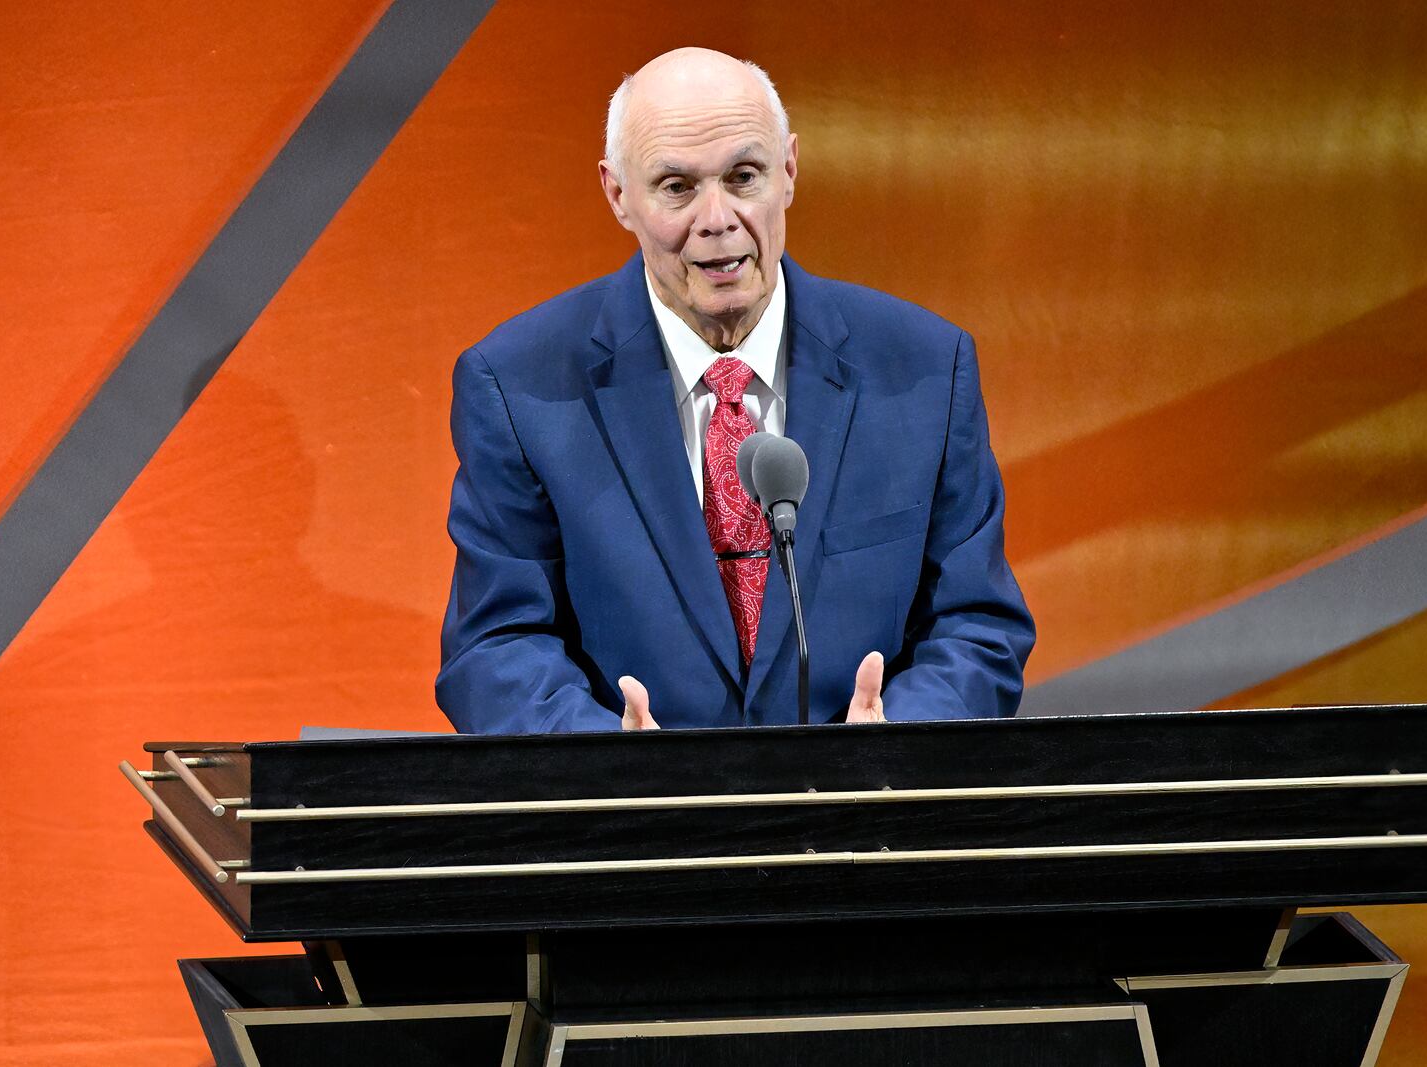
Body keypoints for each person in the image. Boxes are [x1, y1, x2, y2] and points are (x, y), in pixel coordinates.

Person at [436, 47, 1034, 733]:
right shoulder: (519, 386)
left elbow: (976, 623)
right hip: (636, 832)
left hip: (863, 825)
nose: (718, 218)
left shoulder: (926, 368)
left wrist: (894, 741)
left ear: (789, 171)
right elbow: (495, 647)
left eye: (743, 176)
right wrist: (611, 768)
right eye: (677, 187)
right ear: (617, 194)